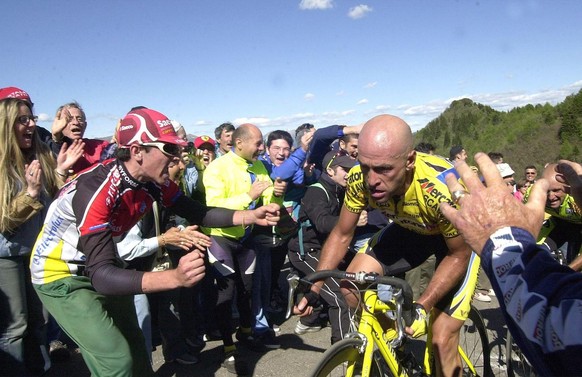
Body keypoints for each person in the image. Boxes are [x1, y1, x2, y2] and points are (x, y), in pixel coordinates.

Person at [30, 107, 280, 377]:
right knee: (116, 359)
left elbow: (199, 212)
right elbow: (101, 276)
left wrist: (249, 215)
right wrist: (175, 278)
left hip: (100, 264)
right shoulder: (98, 191)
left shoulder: (152, 181)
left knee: (137, 351)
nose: (179, 159)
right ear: (137, 151)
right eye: (169, 149)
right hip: (59, 274)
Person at [296, 114, 480, 376]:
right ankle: (396, 343)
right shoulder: (361, 178)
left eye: (383, 169)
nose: (372, 180)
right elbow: (341, 234)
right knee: (350, 286)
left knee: (441, 338)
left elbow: (459, 255)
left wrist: (422, 306)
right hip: (411, 229)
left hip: (456, 244)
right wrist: (315, 286)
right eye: (366, 166)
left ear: (410, 161)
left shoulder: (440, 191)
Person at [440, 154, 582, 376]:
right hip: (559, 226)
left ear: (569, 190)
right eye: (548, 191)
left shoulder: (575, 201)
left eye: (558, 191)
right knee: (538, 250)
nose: (552, 196)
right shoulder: (536, 196)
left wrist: (501, 243)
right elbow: (529, 225)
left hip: (578, 229)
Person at [0, 98, 83, 376]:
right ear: (6, 124)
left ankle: (37, 370)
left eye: (32, 118)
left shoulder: (40, 154)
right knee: (15, 327)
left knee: (39, 320)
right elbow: (3, 221)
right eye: (23, 120)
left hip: (37, 251)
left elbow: (53, 198)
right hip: (7, 256)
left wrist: (59, 171)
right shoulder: (2, 163)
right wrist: (29, 195)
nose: (32, 124)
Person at [202, 123, 285, 374]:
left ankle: (246, 333)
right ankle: (227, 348)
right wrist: (248, 196)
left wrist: (278, 195)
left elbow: (268, 201)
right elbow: (213, 206)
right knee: (225, 295)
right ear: (240, 143)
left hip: (246, 238)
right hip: (221, 239)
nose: (262, 148)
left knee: (248, 290)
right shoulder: (217, 168)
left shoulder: (258, 166)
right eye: (258, 143)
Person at [287, 150, 357, 344]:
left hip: (326, 249)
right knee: (340, 298)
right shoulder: (316, 191)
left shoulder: (340, 190)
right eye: (344, 169)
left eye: (352, 169)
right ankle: (343, 350)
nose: (349, 174)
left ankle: (309, 319)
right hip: (305, 252)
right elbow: (322, 222)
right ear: (330, 170)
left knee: (352, 286)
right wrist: (352, 220)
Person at [524, 163, 582, 269]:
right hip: (560, 223)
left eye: (556, 190)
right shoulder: (534, 194)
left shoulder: (576, 198)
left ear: (568, 187)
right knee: (534, 254)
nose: (551, 197)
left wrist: (570, 270)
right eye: (547, 191)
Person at [50, 101, 112, 176]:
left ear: (85, 125)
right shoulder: (47, 150)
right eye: (69, 119)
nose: (76, 122)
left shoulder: (101, 147)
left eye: (79, 119)